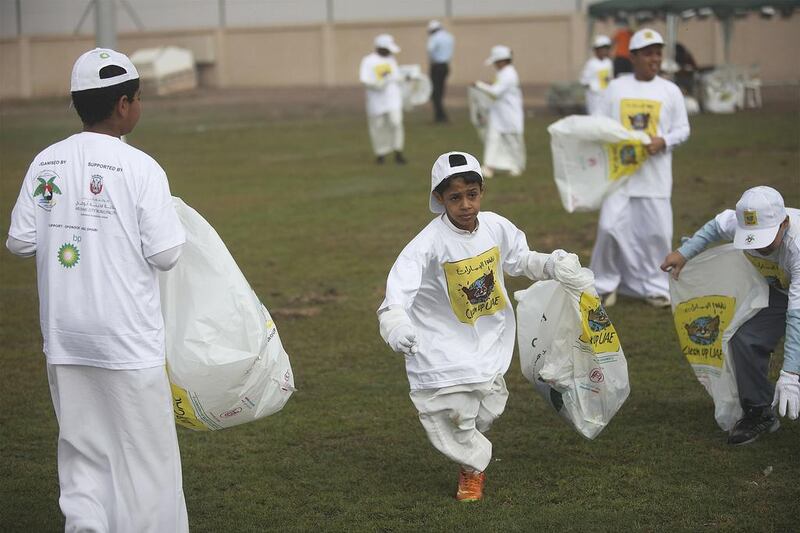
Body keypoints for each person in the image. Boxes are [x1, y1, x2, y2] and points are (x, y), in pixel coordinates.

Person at [6, 48, 189, 532]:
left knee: (82, 456)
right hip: (127, 339)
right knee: (147, 462)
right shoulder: (141, 167)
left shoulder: (46, 163)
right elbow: (167, 253)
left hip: (66, 337)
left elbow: (21, 241)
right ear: (125, 104)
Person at [377, 151, 581, 501]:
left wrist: (552, 264)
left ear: (481, 192)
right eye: (455, 197)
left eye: (472, 194)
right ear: (439, 199)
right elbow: (396, 294)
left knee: (485, 410)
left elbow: (519, 259)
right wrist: (396, 324)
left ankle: (470, 455)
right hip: (441, 342)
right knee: (449, 411)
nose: (466, 204)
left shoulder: (496, 226)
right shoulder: (426, 245)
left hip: (489, 337)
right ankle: (473, 470)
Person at [661, 186, 799, 445]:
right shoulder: (739, 223)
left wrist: (791, 373)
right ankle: (759, 411)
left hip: (795, 292)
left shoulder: (798, 247)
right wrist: (684, 253)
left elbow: (797, 315)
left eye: (766, 237)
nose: (760, 246)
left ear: (785, 223)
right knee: (744, 339)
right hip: (780, 287)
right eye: (752, 237)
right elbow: (715, 226)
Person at [589, 28, 690, 308]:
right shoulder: (616, 88)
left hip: (655, 179)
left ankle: (656, 286)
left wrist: (664, 140)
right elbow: (597, 124)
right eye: (648, 53)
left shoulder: (669, 91)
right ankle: (604, 284)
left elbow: (683, 129)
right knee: (609, 228)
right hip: (620, 177)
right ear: (633, 57)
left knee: (656, 235)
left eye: (658, 53)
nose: (655, 58)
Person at [473, 46, 525, 178]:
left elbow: (495, 91)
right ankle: (489, 166)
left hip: (509, 114)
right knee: (493, 139)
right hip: (498, 113)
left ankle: (516, 166)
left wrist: (479, 85)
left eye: (496, 62)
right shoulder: (502, 73)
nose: (495, 65)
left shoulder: (509, 74)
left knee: (511, 140)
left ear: (502, 61)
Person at [359, 33, 407, 165]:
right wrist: (377, 84)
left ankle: (398, 152)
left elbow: (396, 76)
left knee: (396, 123)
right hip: (376, 101)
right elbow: (365, 80)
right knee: (378, 127)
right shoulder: (368, 61)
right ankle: (381, 153)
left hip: (393, 99)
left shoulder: (391, 59)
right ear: (381, 47)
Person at [427, 20, 454, 123]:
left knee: (435, 92)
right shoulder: (449, 36)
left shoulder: (434, 38)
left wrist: (432, 60)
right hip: (446, 66)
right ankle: (439, 115)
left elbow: (430, 50)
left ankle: (441, 116)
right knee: (440, 91)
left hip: (436, 66)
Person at [580, 35, 614, 116]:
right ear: (596, 50)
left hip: (606, 95)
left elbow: (610, 78)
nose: (605, 51)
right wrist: (593, 89)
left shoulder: (608, 62)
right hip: (594, 98)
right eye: (603, 49)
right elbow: (584, 81)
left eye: (607, 49)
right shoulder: (591, 63)